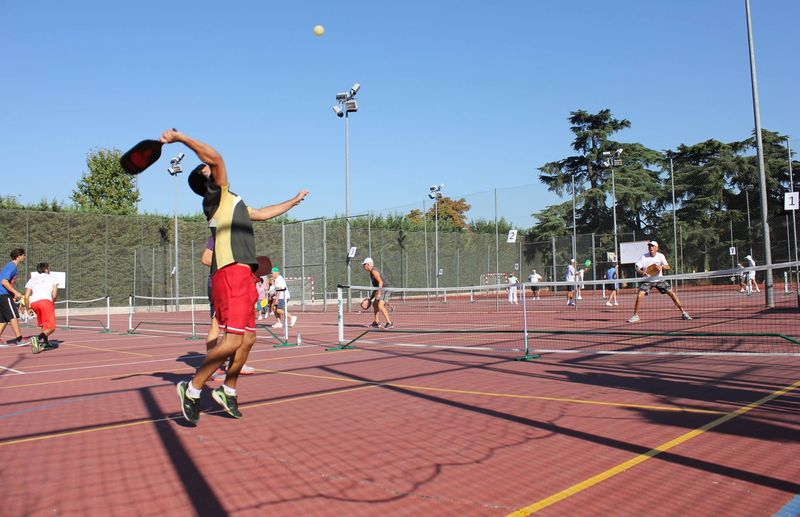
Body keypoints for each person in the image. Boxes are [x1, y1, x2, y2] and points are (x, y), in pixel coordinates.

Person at [163, 128, 308, 424]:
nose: (213, 167)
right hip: (229, 274)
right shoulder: (215, 197)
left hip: (243, 275)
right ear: (207, 179)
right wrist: (183, 139)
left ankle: (228, 389)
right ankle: (192, 389)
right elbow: (215, 157)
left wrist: (292, 202)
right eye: (207, 169)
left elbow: (264, 213)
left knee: (248, 340)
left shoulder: (234, 202)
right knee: (231, 341)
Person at [200, 237, 255, 382]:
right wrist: (227, 267)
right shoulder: (219, 235)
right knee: (216, 325)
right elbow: (206, 258)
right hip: (220, 284)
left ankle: (236, 363)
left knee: (240, 325)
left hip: (236, 284)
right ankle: (212, 368)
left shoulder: (240, 239)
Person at [628, 241, 691, 323]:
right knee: (639, 296)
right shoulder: (643, 257)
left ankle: (684, 313)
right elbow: (637, 268)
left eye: (653, 246)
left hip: (659, 280)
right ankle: (635, 316)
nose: (651, 247)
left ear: (657, 248)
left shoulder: (660, 256)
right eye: (649, 246)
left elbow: (668, 266)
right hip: (647, 281)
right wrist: (643, 272)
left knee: (672, 294)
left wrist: (661, 266)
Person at [24, 262, 59, 353]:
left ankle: (46, 343)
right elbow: (54, 294)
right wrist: (52, 302)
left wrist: (28, 308)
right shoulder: (52, 278)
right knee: (51, 327)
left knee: (44, 323)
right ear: (46, 269)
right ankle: (37, 338)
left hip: (34, 303)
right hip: (45, 302)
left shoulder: (32, 280)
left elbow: (26, 296)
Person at [0, 248, 28, 346]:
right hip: (3, 294)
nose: (24, 257)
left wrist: (12, 294)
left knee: (3, 319)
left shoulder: (11, 267)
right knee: (13, 315)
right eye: (23, 255)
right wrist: (15, 292)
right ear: (18, 256)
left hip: (3, 294)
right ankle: (19, 339)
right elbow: (4, 281)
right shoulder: (11, 266)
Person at [362, 257, 394, 328]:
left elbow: (381, 282)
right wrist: (371, 299)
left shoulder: (374, 271)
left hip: (385, 288)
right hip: (381, 288)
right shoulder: (371, 272)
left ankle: (389, 323)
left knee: (380, 305)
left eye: (364, 264)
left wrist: (379, 293)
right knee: (374, 304)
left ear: (368, 264)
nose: (363, 266)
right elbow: (376, 287)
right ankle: (376, 322)